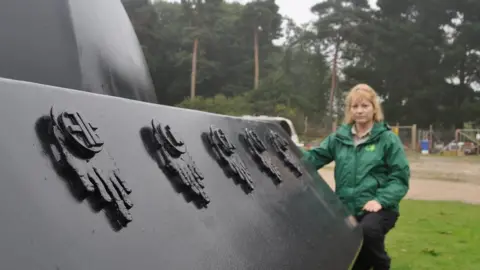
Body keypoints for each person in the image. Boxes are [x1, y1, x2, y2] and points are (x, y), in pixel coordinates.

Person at [302, 83, 410, 270]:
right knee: (354, 258)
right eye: (355, 106)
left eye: (365, 106)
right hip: (347, 208)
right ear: (350, 110)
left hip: (380, 208)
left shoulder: (387, 139)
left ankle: (383, 264)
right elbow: (313, 158)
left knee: (368, 232)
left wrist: (380, 200)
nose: (360, 111)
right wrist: (286, 152)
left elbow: (400, 177)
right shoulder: (339, 138)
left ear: (374, 108)